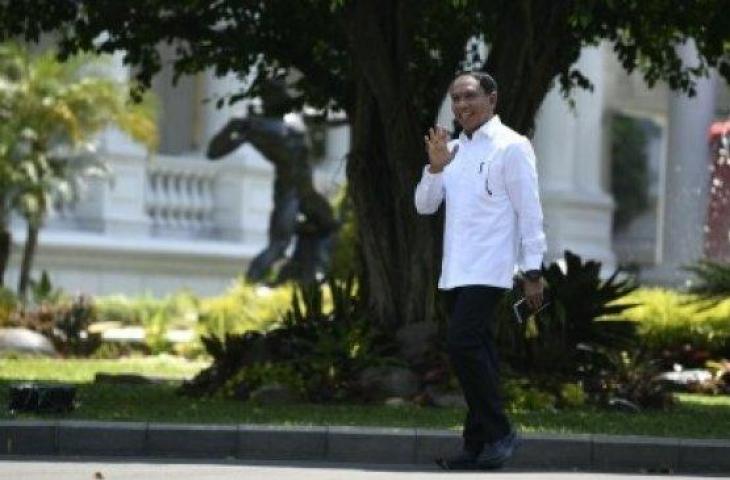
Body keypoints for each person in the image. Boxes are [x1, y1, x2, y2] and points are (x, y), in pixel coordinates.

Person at [414, 71, 547, 470]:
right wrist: (435, 168)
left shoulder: (512, 147)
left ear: (492, 98)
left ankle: (500, 430)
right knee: (478, 355)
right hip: (454, 271)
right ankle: (477, 447)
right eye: (455, 98)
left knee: (462, 344)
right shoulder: (451, 151)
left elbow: (530, 211)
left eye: (469, 96)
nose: (461, 105)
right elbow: (424, 205)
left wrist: (533, 269)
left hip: (490, 270)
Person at [207, 77, 338, 284]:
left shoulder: (291, 119)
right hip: (289, 192)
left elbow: (330, 118)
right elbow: (213, 152)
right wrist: (233, 130)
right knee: (279, 244)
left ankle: (306, 271)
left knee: (327, 225)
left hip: (306, 192)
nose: (284, 96)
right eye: (277, 93)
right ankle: (250, 283)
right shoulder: (255, 127)